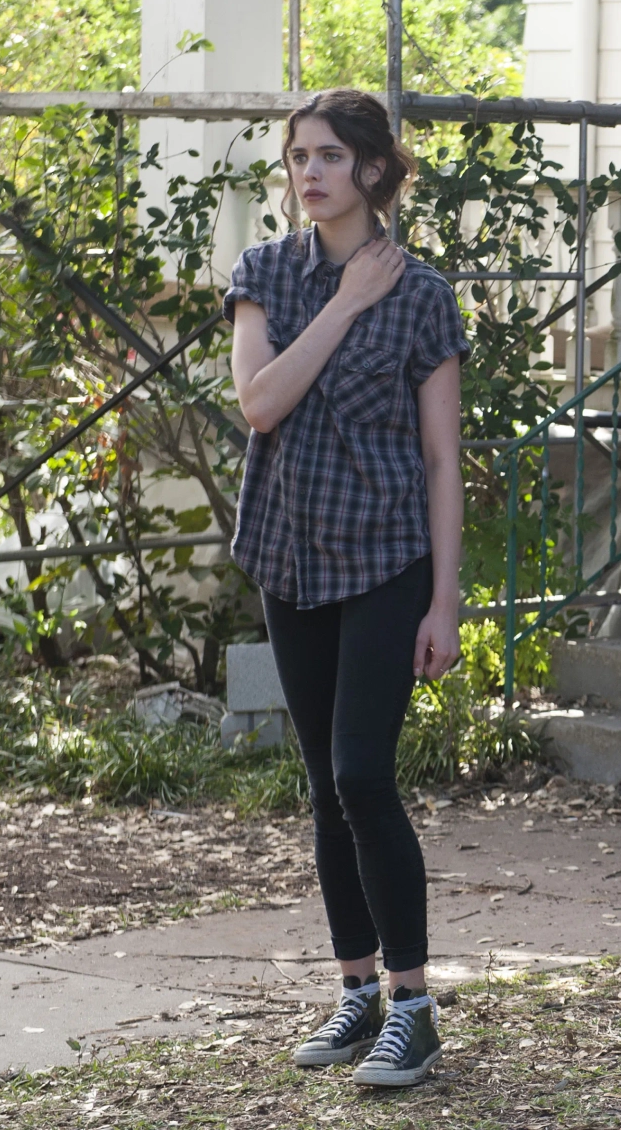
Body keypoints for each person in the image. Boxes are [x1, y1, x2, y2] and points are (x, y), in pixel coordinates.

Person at [225, 89, 467, 1087]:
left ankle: (415, 1003)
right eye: (296, 157)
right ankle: (357, 990)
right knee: (326, 787)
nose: (309, 173)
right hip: (291, 556)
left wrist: (446, 601)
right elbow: (261, 403)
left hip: (386, 560)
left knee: (364, 772)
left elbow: (443, 459)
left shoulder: (423, 293)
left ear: (372, 169)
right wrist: (343, 304)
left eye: (329, 155)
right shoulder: (266, 274)